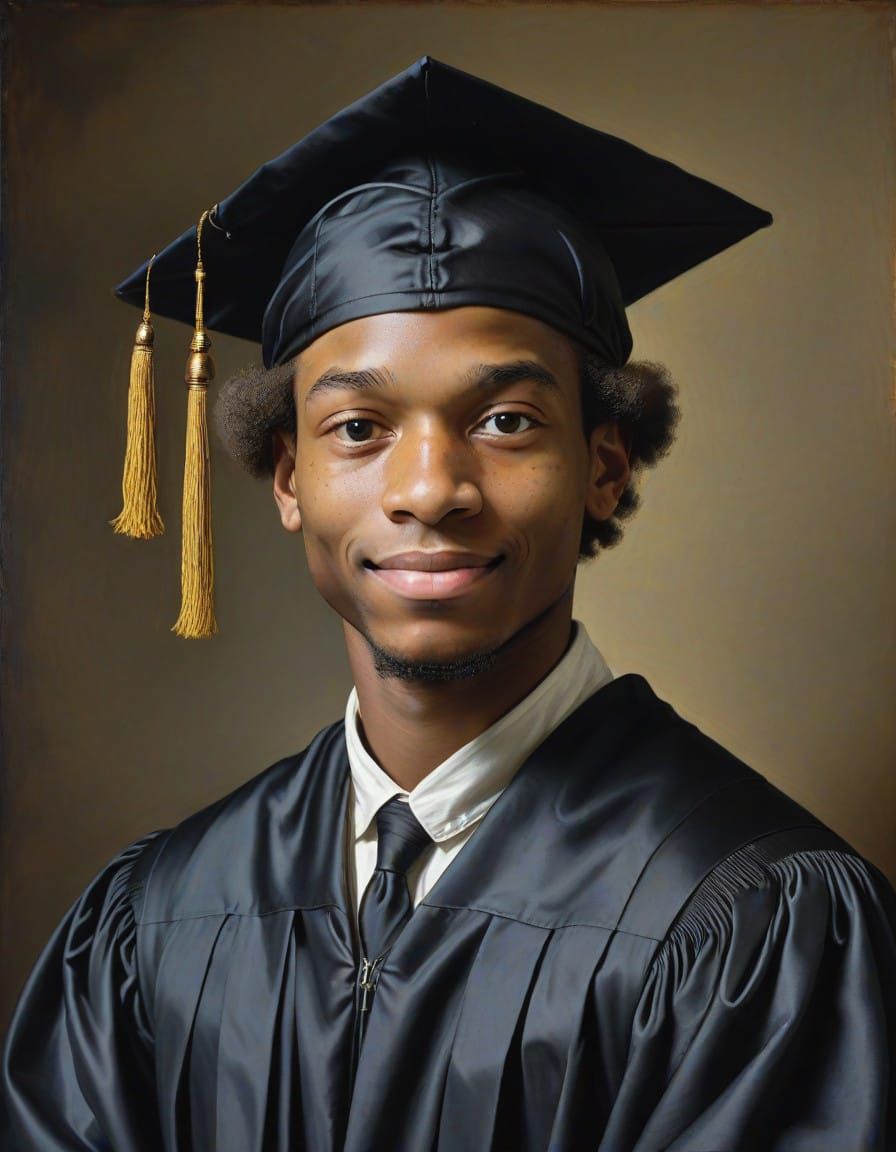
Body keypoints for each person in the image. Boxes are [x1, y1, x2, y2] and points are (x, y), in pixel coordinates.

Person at [3, 55, 894, 1152]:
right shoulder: (160, 916)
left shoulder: (751, 919)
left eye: (506, 420)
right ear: (287, 479)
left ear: (604, 467)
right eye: (358, 430)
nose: (428, 489)